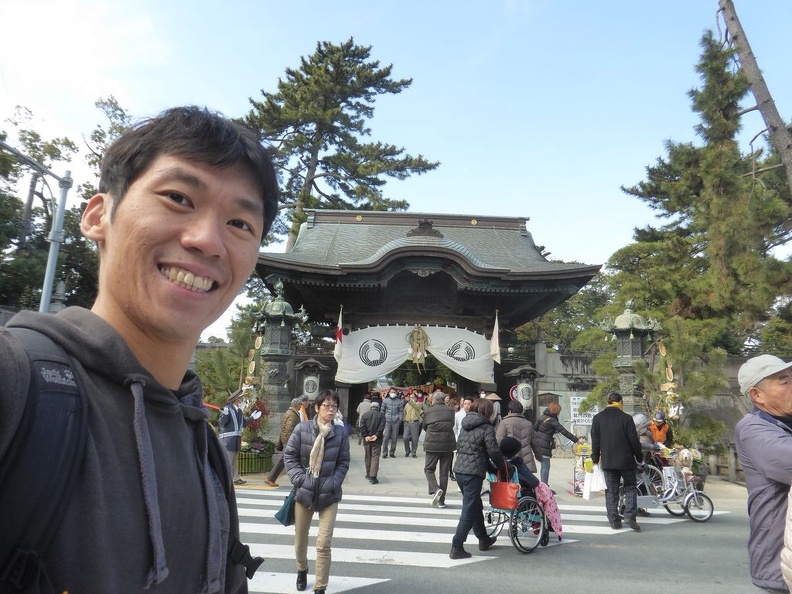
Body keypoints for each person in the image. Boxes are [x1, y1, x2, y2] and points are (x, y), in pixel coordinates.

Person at [0, 106, 279, 593]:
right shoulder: (16, 382)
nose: (207, 241)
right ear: (96, 215)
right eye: (178, 197)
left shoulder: (204, 445)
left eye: (240, 224)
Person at [734, 354, 792, 592]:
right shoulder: (753, 429)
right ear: (757, 395)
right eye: (784, 381)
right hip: (779, 560)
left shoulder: (785, 422)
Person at [284, 389, 350, 594]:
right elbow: (290, 456)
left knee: (323, 543)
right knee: (300, 538)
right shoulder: (302, 429)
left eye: (334, 406)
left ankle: (320, 587)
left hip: (329, 494)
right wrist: (300, 479)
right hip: (304, 492)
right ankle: (302, 570)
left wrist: (333, 482)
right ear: (317, 408)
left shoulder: (340, 433)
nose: (330, 410)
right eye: (326, 406)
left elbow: (343, 462)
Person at [450, 397, 505, 559]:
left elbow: (464, 448)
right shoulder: (486, 428)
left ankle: (483, 539)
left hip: (459, 470)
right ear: (487, 412)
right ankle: (457, 546)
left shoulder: (465, 425)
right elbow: (492, 451)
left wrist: (489, 467)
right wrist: (501, 466)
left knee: (475, 506)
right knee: (468, 509)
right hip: (472, 474)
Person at [590, 392, 643, 532]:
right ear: (620, 402)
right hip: (626, 460)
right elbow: (634, 441)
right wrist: (639, 457)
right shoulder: (626, 418)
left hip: (608, 461)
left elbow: (595, 442)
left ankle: (614, 521)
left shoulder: (597, 419)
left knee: (611, 491)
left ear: (608, 402)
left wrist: (595, 459)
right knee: (630, 486)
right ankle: (630, 515)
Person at [532, 401, 584, 487]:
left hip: (538, 444)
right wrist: (577, 439)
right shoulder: (552, 420)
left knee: (543, 466)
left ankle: (542, 486)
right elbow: (564, 431)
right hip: (545, 445)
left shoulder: (542, 417)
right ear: (556, 411)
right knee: (546, 466)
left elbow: (535, 429)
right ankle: (544, 488)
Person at [220, 386, 263, 485]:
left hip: (235, 440)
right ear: (236, 400)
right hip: (227, 440)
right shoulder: (227, 409)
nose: (242, 400)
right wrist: (225, 415)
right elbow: (222, 424)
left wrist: (252, 417)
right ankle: (226, 479)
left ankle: (235, 478)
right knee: (228, 461)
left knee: (234, 461)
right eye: (241, 398)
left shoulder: (238, 411)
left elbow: (243, 423)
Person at [422, 390, 456, 508]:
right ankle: (441, 501)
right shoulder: (451, 411)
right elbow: (451, 424)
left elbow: (424, 426)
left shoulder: (428, 411)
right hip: (448, 444)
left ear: (434, 400)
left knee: (428, 469)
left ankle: (436, 489)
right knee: (444, 474)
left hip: (433, 444)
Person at [266, 396, 306, 487]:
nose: (301, 406)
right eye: (300, 404)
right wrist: (291, 442)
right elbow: (289, 429)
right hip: (289, 441)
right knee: (282, 460)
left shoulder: (291, 412)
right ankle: (270, 478)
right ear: (297, 405)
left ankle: (271, 478)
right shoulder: (292, 414)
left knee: (285, 459)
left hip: (288, 441)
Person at [497, 399, 539, 473]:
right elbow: (535, 442)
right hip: (527, 460)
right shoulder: (528, 423)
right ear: (521, 411)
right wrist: (539, 456)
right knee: (524, 482)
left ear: (509, 411)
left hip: (510, 458)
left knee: (512, 482)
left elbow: (499, 440)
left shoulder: (505, 422)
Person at [360, 400, 386, 483]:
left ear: (370, 407)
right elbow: (381, 426)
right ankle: (373, 476)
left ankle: (368, 474)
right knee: (375, 457)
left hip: (367, 440)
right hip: (377, 439)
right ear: (378, 408)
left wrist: (366, 436)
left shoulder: (365, 415)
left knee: (368, 456)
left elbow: (362, 426)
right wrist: (376, 435)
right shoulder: (381, 415)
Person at [381, 387, 405, 458]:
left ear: (396, 393)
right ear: (389, 392)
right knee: (386, 437)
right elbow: (382, 411)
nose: (393, 393)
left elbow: (401, 411)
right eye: (392, 392)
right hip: (387, 421)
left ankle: (392, 452)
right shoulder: (385, 401)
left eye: (394, 392)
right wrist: (383, 419)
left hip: (396, 421)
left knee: (394, 438)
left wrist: (400, 419)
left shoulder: (399, 401)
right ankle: (384, 452)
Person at [403, 390, 423, 457]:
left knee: (415, 438)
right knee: (405, 437)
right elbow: (404, 412)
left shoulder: (418, 403)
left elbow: (416, 407)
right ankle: (407, 450)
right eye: (410, 397)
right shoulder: (407, 404)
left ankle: (414, 452)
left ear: (415, 398)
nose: (411, 398)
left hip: (415, 422)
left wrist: (410, 401)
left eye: (412, 397)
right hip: (407, 422)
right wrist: (404, 420)